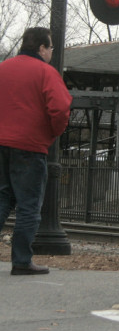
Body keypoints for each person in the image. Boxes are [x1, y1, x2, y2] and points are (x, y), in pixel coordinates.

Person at [0, 27, 72, 275]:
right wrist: (53, 133)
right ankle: (21, 261)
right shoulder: (45, 72)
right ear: (41, 48)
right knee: (28, 206)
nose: (51, 52)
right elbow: (61, 109)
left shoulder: (3, 68)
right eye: (50, 48)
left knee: (1, 199)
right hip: (30, 147)